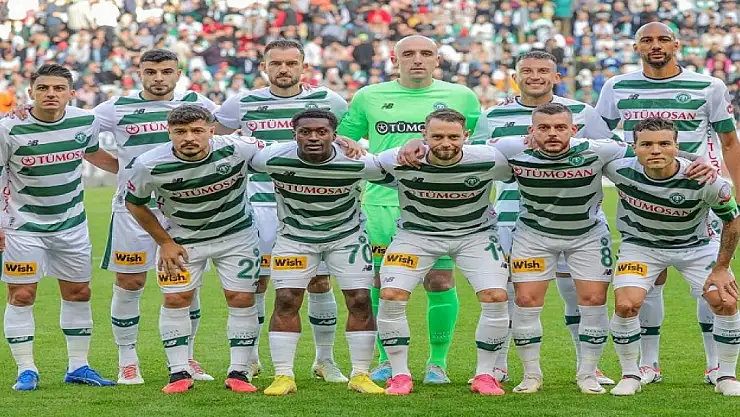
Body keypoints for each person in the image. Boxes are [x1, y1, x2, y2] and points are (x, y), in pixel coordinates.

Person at [7, 49, 219, 385]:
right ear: (139, 73)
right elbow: (69, 125)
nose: (159, 78)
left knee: (185, 287)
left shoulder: (199, 103)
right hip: (130, 210)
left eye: (166, 71)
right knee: (130, 283)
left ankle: (187, 358)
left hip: (183, 211)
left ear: (178, 74)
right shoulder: (115, 107)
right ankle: (127, 361)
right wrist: (24, 111)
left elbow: (229, 127)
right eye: (151, 71)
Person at [596, 21, 740, 385]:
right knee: (649, 280)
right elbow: (599, 138)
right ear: (636, 47)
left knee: (710, 287)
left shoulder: (708, 85)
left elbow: (728, 142)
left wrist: (734, 188)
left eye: (663, 39)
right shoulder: (616, 86)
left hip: (697, 193)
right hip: (644, 193)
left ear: (676, 44)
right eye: (647, 40)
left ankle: (715, 366)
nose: (655, 45)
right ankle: (648, 366)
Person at [337, 35, 482, 384]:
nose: (417, 59)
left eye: (426, 53)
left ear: (437, 60)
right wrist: (353, 147)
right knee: (381, 282)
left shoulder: (462, 96)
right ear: (394, 59)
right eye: (409, 54)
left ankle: (437, 362)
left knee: (440, 280)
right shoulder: (369, 96)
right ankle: (386, 360)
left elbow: (478, 145)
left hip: (439, 205)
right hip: (381, 203)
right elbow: (343, 139)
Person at [471, 50, 617, 385]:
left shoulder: (583, 112)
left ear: (556, 77)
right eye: (527, 71)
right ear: (515, 77)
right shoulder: (493, 115)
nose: (535, 76)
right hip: (514, 218)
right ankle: (500, 365)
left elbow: (609, 154)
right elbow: (477, 161)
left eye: (543, 71)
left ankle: (589, 366)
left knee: (578, 295)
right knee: (512, 295)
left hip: (576, 220)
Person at [214, 40, 349, 382]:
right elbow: (216, 141)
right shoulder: (241, 103)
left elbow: (344, 142)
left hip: (309, 205)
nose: (284, 69)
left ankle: (325, 360)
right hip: (258, 204)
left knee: (319, 281)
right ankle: (250, 360)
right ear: (264, 67)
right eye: (276, 63)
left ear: (304, 67)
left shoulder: (330, 101)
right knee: (256, 282)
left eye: (291, 63)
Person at [124, 105, 265, 394]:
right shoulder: (148, 164)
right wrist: (164, 242)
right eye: (180, 132)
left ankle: (239, 371)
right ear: (169, 133)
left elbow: (285, 150)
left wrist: (340, 140)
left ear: (211, 131)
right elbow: (134, 203)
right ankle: (178, 372)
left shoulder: (237, 147)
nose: (189, 137)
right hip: (182, 240)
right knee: (176, 298)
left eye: (197, 130)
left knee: (241, 298)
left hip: (237, 236)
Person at [375, 109, 513, 396]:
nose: (446, 143)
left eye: (453, 136)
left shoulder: (490, 158)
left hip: (474, 236)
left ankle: (485, 375)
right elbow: (360, 165)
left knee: (496, 296)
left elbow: (522, 158)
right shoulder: (398, 159)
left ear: (467, 136)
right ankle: (399, 375)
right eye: (437, 136)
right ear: (424, 136)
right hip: (416, 236)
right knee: (391, 295)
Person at [248, 109, 386, 396]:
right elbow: (238, 152)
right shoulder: (271, 157)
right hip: (295, 239)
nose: (313, 137)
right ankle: (283, 375)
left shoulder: (357, 160)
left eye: (321, 132)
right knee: (286, 300)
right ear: (294, 135)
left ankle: (360, 374)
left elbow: (397, 171)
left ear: (334, 135)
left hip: (346, 238)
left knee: (360, 300)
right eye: (305, 132)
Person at [1, 63, 119, 391]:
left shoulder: (85, 121)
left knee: (79, 292)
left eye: (58, 88)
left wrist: (140, 172)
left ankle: (78, 366)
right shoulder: (9, 128)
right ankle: (26, 370)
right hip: (22, 227)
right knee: (22, 294)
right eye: (43, 88)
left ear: (71, 93)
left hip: (72, 225)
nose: (50, 94)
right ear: (31, 93)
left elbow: (95, 155)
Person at [606, 117, 740, 397]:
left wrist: (721, 267)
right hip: (640, 245)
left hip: (696, 246)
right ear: (634, 147)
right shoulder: (617, 167)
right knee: (627, 304)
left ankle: (726, 375)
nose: (656, 150)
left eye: (664, 144)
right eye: (647, 145)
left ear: (677, 147)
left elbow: (733, 220)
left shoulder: (704, 179)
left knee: (726, 301)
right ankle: (631, 374)